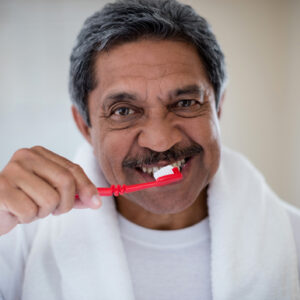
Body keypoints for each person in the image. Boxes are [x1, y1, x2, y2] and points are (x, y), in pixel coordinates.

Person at [0, 0, 300, 299]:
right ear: (85, 127)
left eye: (185, 103)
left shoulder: (293, 238)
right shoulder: (17, 242)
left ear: (217, 109)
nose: (160, 141)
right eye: (123, 111)